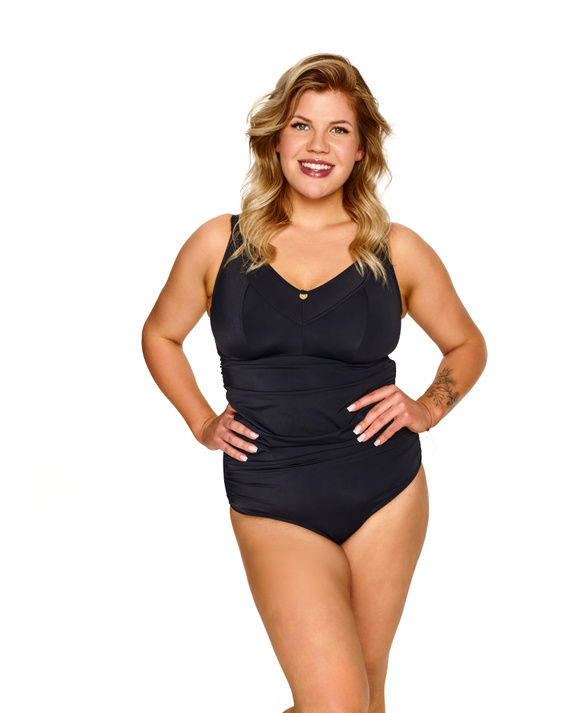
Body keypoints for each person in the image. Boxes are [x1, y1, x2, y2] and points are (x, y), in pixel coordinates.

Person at [142, 53, 487, 713]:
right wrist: (201, 421)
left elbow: (467, 345)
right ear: (277, 139)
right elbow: (160, 335)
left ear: (361, 150)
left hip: (385, 490)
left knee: (367, 693)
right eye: (302, 125)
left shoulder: (397, 249)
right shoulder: (219, 243)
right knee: (335, 700)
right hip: (271, 491)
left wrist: (428, 406)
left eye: (339, 130)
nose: (318, 145)